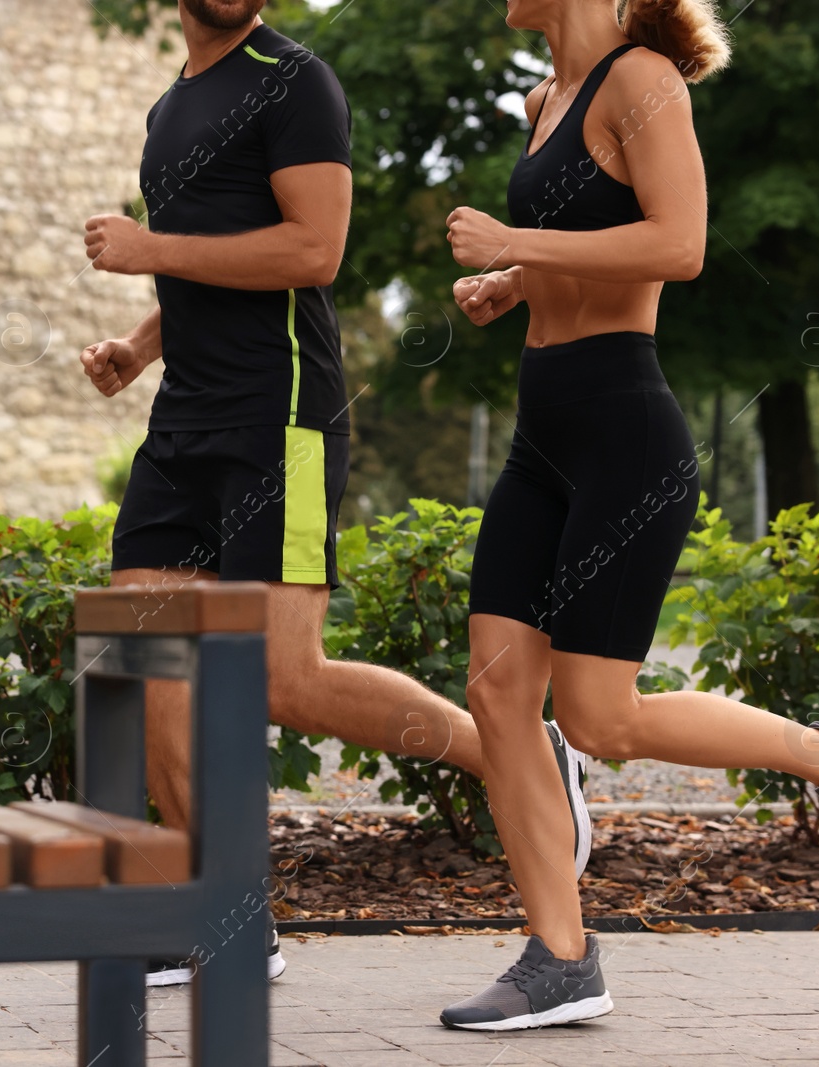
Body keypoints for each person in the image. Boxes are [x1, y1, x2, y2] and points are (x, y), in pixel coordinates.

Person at [79, 0, 592, 988]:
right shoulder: (168, 110)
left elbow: (313, 251)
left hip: (281, 416)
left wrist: (148, 248)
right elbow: (205, 257)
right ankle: (221, 907)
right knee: (137, 652)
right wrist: (139, 347)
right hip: (184, 419)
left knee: (283, 673)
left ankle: (516, 758)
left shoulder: (295, 79)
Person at [438, 0, 819, 1031]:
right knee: (495, 693)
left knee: (598, 717)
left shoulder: (639, 79)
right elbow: (582, 244)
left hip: (624, 431)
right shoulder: (546, 97)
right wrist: (513, 281)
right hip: (543, 434)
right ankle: (559, 957)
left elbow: (680, 242)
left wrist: (512, 236)